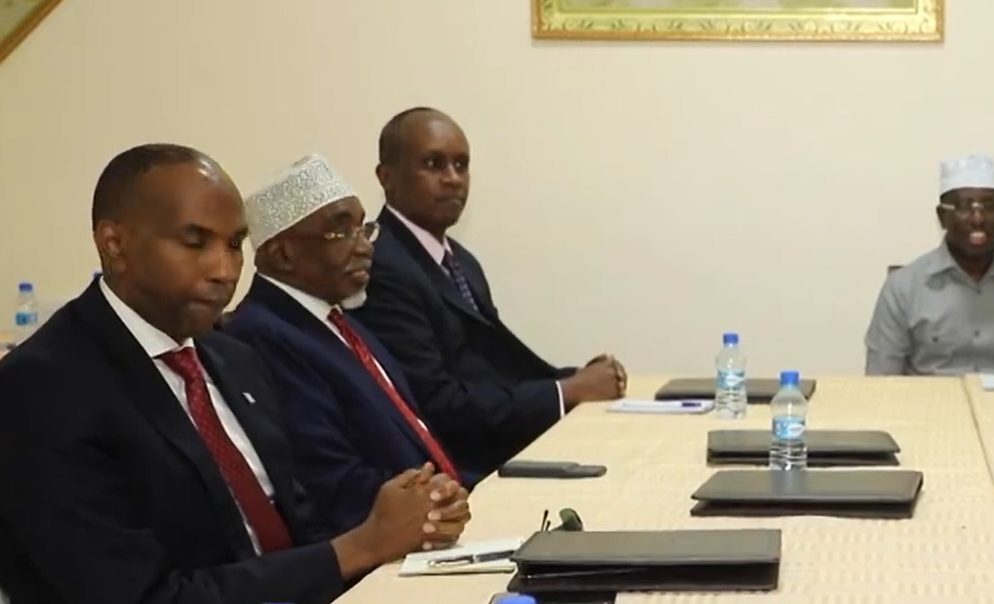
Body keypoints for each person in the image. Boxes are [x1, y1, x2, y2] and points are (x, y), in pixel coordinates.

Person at [0, 144, 467, 604]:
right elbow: (138, 596)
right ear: (115, 244)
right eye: (195, 242)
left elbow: (299, 527)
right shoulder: (42, 388)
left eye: (234, 244)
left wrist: (412, 518)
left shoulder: (231, 357)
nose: (224, 270)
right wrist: (361, 545)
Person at [351, 107, 625, 479]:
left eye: (461, 165)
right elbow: (436, 406)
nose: (452, 179)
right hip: (452, 475)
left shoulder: (460, 261)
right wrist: (567, 390)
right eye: (433, 164)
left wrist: (576, 378)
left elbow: (491, 370)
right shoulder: (382, 266)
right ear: (387, 177)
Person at [224, 154, 477, 534]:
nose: (364, 248)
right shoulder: (260, 335)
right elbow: (325, 477)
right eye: (340, 232)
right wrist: (432, 503)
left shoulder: (339, 318)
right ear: (282, 253)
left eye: (364, 229)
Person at [864, 154, 994, 376]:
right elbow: (881, 385)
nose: (978, 218)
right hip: (929, 409)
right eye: (963, 206)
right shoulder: (903, 288)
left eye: (989, 206)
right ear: (942, 216)